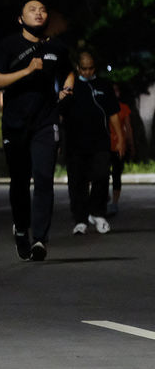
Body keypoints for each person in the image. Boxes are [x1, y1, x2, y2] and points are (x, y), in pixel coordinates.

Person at [0, 0, 72, 262]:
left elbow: (68, 71)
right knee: (20, 181)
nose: (39, 14)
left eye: (43, 10)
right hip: (15, 123)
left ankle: (40, 239)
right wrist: (26, 71)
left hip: (46, 121)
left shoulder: (56, 47)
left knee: (44, 177)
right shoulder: (8, 45)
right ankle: (21, 229)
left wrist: (67, 89)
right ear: (20, 18)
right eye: (32, 10)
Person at [60, 52, 125, 235]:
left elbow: (113, 114)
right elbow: (60, 111)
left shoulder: (104, 86)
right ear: (78, 68)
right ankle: (80, 219)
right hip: (75, 143)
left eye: (91, 68)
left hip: (100, 142)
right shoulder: (71, 85)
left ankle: (98, 214)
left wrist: (120, 139)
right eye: (84, 68)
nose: (87, 72)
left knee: (101, 176)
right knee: (77, 182)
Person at [107, 83, 134, 216]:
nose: (115, 93)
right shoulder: (103, 107)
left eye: (116, 90)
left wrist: (130, 144)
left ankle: (114, 203)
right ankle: (103, 198)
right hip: (105, 146)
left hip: (119, 146)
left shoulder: (124, 108)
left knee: (117, 175)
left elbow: (128, 128)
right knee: (102, 174)